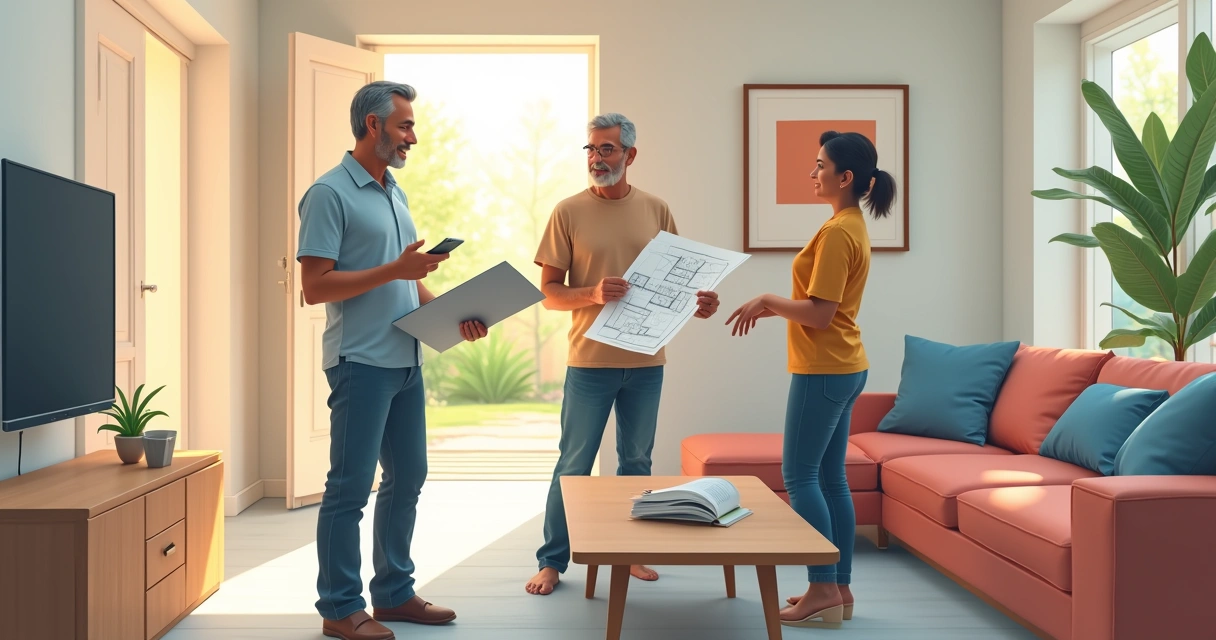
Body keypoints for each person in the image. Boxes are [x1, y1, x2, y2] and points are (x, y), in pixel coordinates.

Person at [297, 80, 487, 640]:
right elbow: (315, 286)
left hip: (405, 358)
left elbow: (405, 283)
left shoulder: (393, 192)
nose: (414, 136)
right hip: (360, 360)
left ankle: (394, 594)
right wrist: (396, 272)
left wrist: (455, 315)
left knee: (408, 476)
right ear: (373, 125)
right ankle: (338, 608)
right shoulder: (329, 194)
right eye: (404, 125)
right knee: (349, 487)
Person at [524, 113, 721, 596]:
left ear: (630, 155)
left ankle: (630, 555)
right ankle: (552, 561)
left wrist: (704, 305)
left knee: (635, 463)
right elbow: (548, 293)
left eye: (607, 149)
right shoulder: (567, 212)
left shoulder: (657, 209)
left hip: (647, 364)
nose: (596, 158)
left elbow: (682, 285)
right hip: (590, 362)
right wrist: (591, 294)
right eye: (590, 149)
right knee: (573, 464)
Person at [725, 131, 894, 628]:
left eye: (820, 165)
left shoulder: (841, 231)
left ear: (845, 177)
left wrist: (768, 301)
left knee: (801, 476)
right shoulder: (847, 224)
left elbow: (820, 314)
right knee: (829, 477)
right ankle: (836, 588)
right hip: (845, 365)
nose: (813, 173)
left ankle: (822, 586)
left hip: (824, 367)